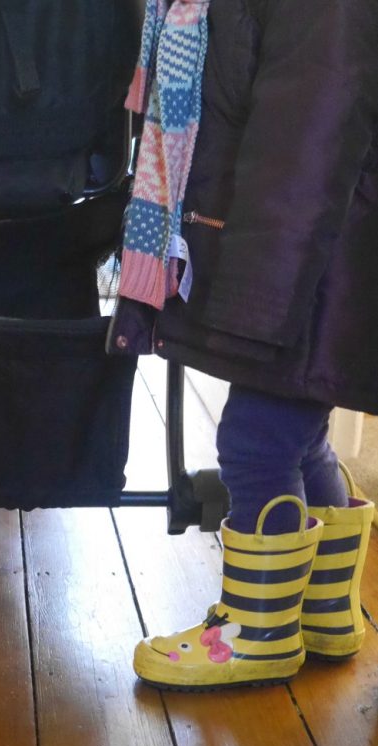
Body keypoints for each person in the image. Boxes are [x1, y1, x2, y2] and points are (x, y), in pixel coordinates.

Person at [107, 0, 378, 690]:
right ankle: (322, 612)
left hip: (314, 261)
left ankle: (256, 634)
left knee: (257, 441)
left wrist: (259, 300)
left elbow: (305, 152)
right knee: (296, 433)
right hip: (313, 258)